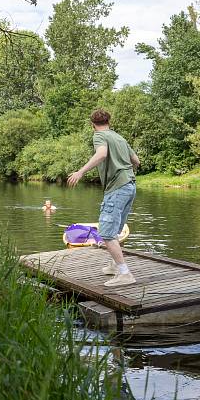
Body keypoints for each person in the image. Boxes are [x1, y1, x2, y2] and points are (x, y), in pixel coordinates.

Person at [67, 108, 140, 287]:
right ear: (109, 122)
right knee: (114, 229)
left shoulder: (99, 136)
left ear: (93, 125)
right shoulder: (120, 138)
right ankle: (116, 265)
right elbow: (136, 161)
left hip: (117, 188)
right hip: (130, 185)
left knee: (106, 232)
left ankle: (125, 273)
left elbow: (101, 154)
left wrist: (80, 172)